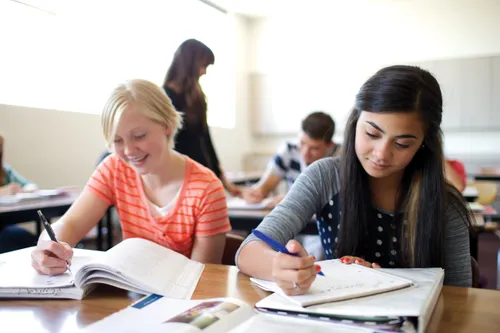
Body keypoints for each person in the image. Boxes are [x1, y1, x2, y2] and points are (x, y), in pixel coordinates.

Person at [236, 65, 473, 295]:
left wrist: (385, 283)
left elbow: (462, 298)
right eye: (372, 134)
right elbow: (248, 251)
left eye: (402, 144)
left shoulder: (445, 204)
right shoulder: (324, 176)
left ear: (424, 144)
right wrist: (278, 266)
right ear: (355, 123)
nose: (381, 154)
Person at [31, 79, 232, 275]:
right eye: (117, 140)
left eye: (139, 136)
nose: (128, 151)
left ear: (166, 125)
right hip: (132, 295)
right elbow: (70, 224)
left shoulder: (206, 188)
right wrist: (48, 247)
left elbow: (202, 278)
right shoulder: (114, 168)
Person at [162, 39, 240, 197]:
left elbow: (206, 139)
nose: (204, 72)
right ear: (189, 63)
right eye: (203, 66)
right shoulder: (164, 98)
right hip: (178, 178)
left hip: (201, 174)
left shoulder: (198, 98)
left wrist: (221, 178)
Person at [242, 111, 341, 208]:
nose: (305, 153)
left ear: (329, 145)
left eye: (314, 148)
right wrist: (254, 194)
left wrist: (293, 200)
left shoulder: (341, 157)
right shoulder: (289, 151)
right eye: (302, 143)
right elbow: (264, 188)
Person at [0, 135, 38, 253]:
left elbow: (30, 185)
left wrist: (23, 189)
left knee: (35, 242)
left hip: (4, 225)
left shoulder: (6, 171)